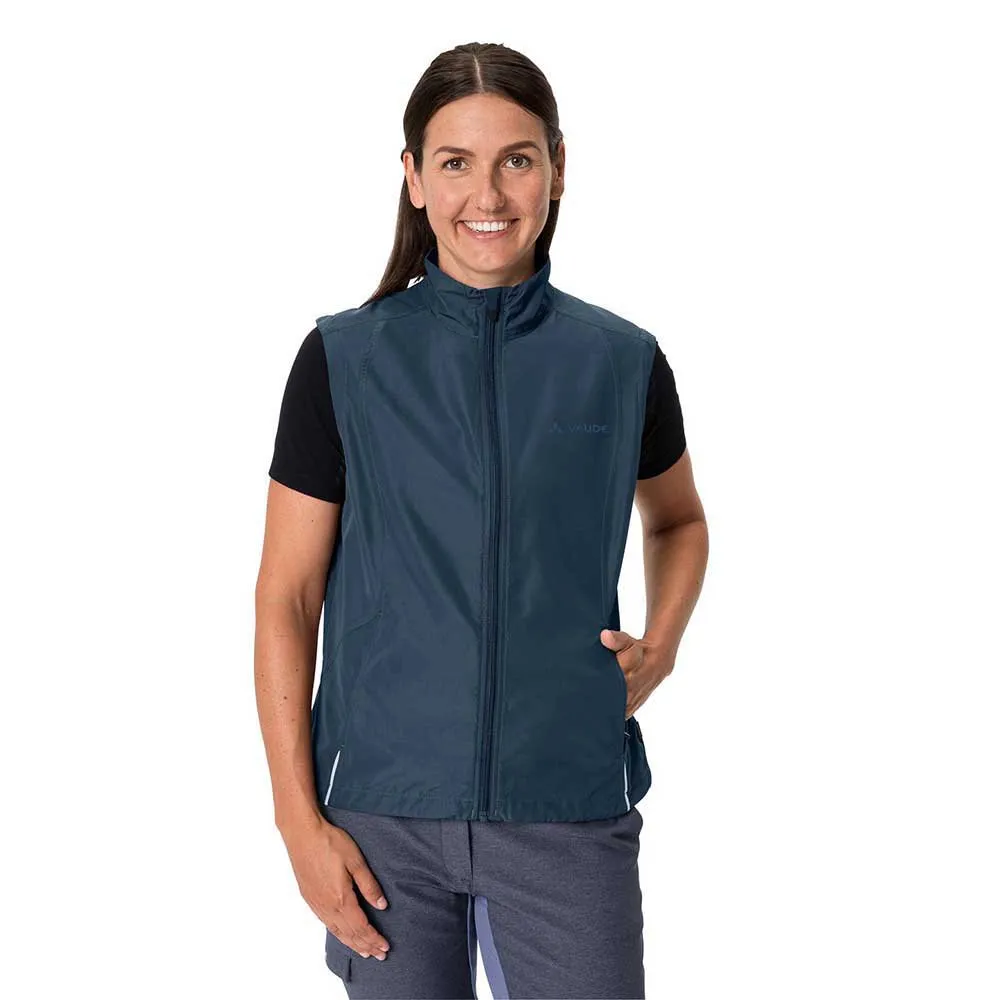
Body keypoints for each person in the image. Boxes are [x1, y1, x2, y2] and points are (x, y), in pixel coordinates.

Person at [255, 41, 708, 1000]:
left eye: (517, 159)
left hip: (568, 806)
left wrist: (662, 644)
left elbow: (678, 522)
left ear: (557, 169)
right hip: (384, 821)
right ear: (414, 178)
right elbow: (287, 597)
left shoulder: (621, 362)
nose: (488, 194)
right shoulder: (344, 361)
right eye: (455, 162)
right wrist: (299, 823)